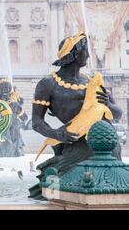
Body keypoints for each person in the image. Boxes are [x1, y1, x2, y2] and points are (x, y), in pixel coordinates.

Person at [29, 32, 122, 199]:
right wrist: (57, 134)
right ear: (74, 54)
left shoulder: (91, 81)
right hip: (77, 142)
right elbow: (36, 122)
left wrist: (108, 104)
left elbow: (117, 114)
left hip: (108, 143)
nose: (88, 54)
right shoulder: (48, 84)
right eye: (85, 50)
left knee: (114, 186)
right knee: (71, 185)